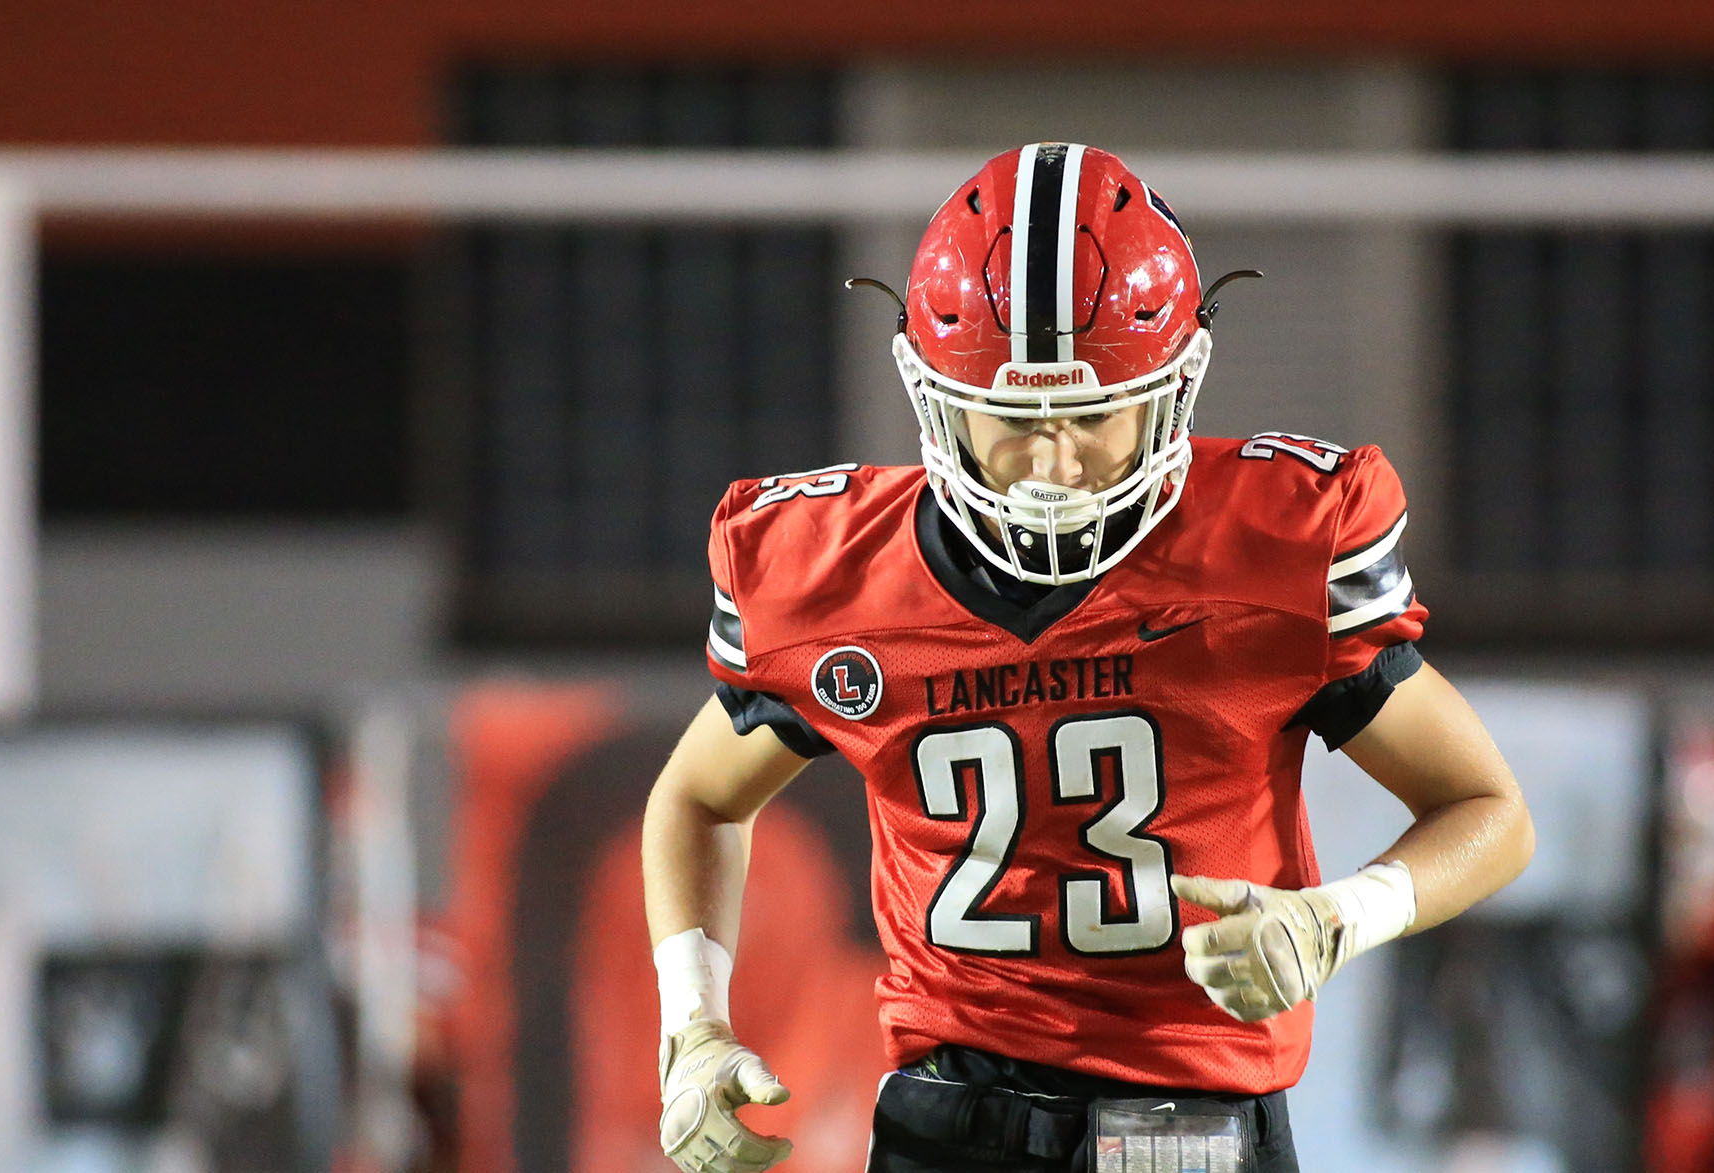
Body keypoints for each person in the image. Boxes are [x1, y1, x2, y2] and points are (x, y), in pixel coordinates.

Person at [641, 142, 1535, 1173]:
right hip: (947, 1122)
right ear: (935, 393)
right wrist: (692, 1029)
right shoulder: (831, 574)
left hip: (1193, 1128)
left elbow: (1489, 812)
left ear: (1173, 384)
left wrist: (1336, 921)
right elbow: (699, 800)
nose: (1053, 462)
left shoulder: (1270, 548)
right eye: (1014, 419)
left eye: (1095, 414)